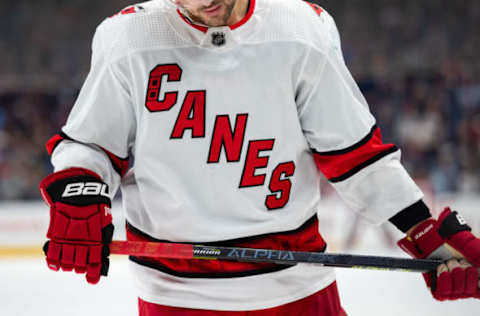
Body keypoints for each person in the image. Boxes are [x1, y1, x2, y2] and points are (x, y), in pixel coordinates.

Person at [39, 0, 480, 315]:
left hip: (298, 289)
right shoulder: (128, 39)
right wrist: (81, 193)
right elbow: (92, 144)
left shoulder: (300, 32)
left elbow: (356, 156)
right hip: (174, 294)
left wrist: (427, 233)